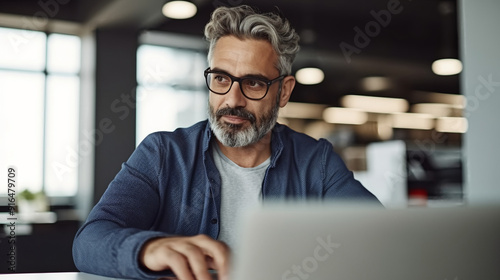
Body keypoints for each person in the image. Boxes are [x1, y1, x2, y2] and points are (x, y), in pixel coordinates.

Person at [72, 5, 380, 280]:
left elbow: (378, 238)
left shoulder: (317, 162)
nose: (233, 99)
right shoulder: (163, 154)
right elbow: (89, 242)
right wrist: (148, 249)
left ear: (284, 92)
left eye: (254, 83)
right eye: (221, 79)